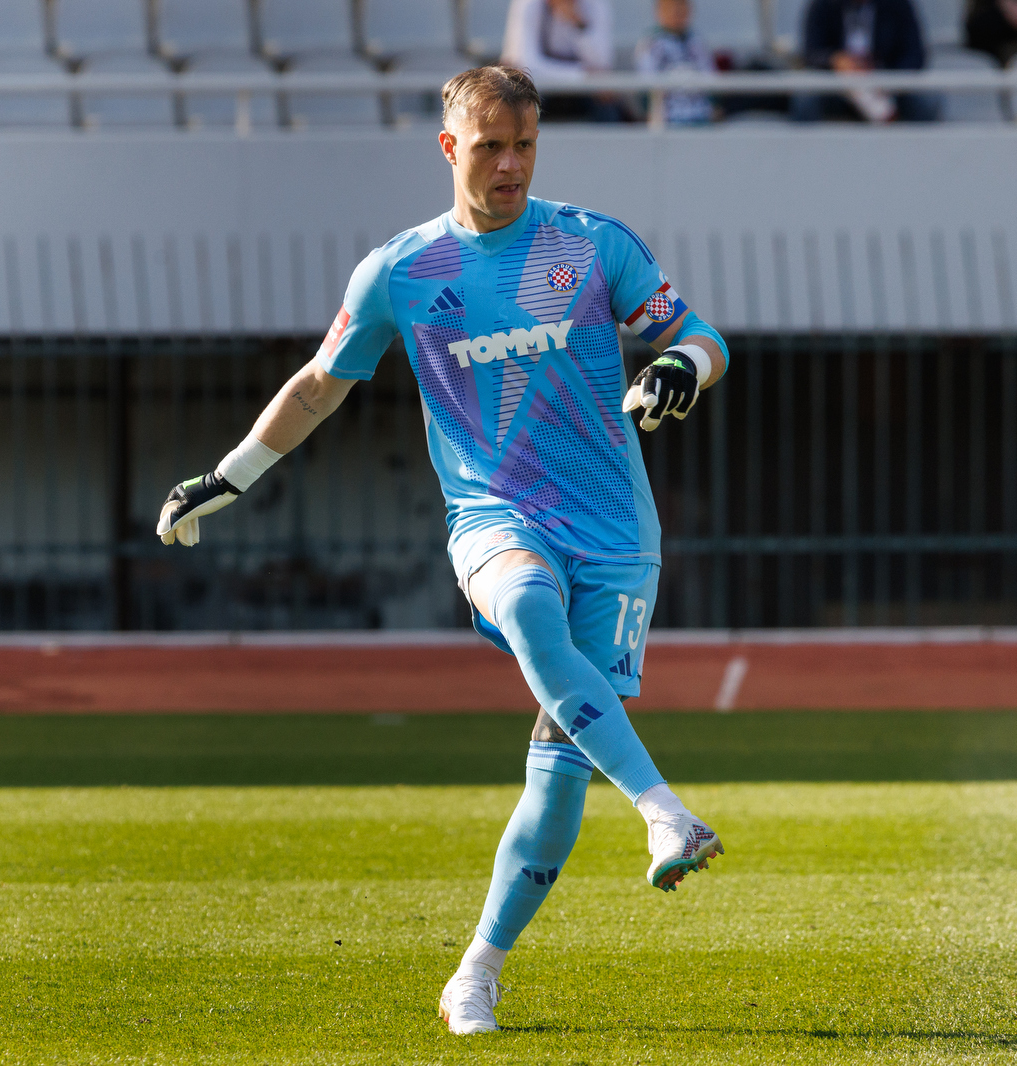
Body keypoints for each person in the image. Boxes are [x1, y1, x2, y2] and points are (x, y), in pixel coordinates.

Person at [154, 65, 730, 1033]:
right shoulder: (402, 270)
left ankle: (478, 968)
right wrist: (230, 473)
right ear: (449, 146)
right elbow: (319, 382)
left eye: (526, 146)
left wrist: (681, 365)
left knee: (554, 771)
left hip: (618, 534)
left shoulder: (590, 246)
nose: (510, 165)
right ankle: (664, 809)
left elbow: (700, 334)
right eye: (492, 144)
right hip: (496, 514)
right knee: (525, 606)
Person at [793, 0, 939, 123]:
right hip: (838, 86)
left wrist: (887, 81)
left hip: (887, 85)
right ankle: (805, 151)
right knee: (806, 98)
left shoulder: (898, 5)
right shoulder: (822, 5)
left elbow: (915, 54)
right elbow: (810, 53)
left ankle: (920, 152)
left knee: (926, 101)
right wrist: (835, 60)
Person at [502, 0, 626, 121]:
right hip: (540, 88)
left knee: (607, 106)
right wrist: (581, 74)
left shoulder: (597, 5)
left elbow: (602, 63)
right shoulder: (527, 4)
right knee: (523, 104)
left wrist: (577, 23)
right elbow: (527, 65)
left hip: (583, 91)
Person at [635, 0, 719, 125]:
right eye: (670, 6)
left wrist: (714, 107)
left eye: (681, 5)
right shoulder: (650, 44)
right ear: (658, 11)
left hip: (700, 116)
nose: (676, 11)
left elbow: (711, 81)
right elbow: (647, 87)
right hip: (669, 120)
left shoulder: (698, 42)